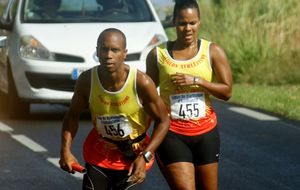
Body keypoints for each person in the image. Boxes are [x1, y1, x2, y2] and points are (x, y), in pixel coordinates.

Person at [59, 28, 169, 190]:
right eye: (104, 49)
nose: (108, 55)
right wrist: (65, 150)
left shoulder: (141, 83)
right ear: (97, 51)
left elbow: (164, 121)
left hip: (133, 156)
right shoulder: (87, 81)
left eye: (115, 50)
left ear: (124, 53)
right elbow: (71, 116)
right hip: (99, 153)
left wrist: (145, 155)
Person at [146, 0, 232, 190]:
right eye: (182, 23)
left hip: (206, 133)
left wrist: (197, 81)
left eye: (192, 23)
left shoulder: (213, 51)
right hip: (172, 134)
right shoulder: (158, 54)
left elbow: (227, 92)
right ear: (174, 22)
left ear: (199, 22)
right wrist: (140, 135)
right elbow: (148, 98)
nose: (188, 28)